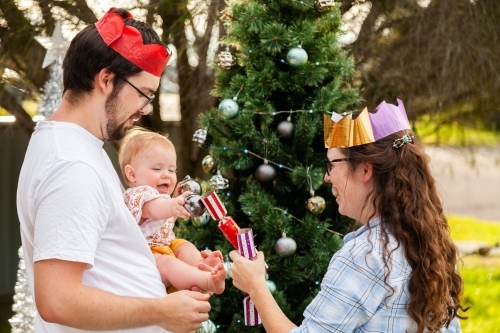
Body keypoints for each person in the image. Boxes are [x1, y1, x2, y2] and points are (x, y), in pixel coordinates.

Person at [16, 8, 210, 333]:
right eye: (144, 93)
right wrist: (161, 311)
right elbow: (58, 300)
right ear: (106, 79)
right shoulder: (71, 165)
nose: (147, 108)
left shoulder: (79, 147)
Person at [229, 99, 468, 333]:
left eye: (332, 164)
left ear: (365, 169)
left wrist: (256, 286)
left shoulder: (365, 256)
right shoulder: (427, 245)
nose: (326, 177)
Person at [118, 127, 226, 294]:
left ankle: (203, 267)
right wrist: (172, 205)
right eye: (157, 169)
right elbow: (154, 209)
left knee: (185, 246)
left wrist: (173, 209)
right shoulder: (138, 195)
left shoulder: (162, 200)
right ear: (132, 175)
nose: (167, 175)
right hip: (147, 255)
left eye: (171, 170)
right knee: (169, 264)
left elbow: (162, 222)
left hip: (166, 245)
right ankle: (206, 280)